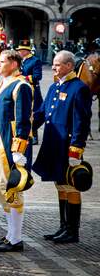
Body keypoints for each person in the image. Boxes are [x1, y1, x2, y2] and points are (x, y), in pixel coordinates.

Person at [32, 50, 92, 244]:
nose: (54, 67)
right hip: (53, 143)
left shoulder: (79, 88)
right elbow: (42, 113)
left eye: (57, 64)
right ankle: (63, 226)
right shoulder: (54, 87)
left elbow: (81, 121)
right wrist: (27, 126)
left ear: (68, 65)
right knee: (60, 185)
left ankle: (72, 231)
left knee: (71, 186)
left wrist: (76, 148)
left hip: (67, 145)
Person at [0, 50, 33, 252]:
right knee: (1, 189)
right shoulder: (5, 83)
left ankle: (16, 239)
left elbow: (23, 119)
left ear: (14, 64)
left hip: (8, 145)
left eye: (2, 61)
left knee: (12, 190)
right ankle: (9, 235)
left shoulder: (21, 85)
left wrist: (18, 150)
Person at [17, 40, 43, 144]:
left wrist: (24, 78)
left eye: (21, 50)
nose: (19, 52)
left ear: (26, 51)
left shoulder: (35, 61)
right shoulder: (20, 60)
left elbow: (38, 76)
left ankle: (34, 135)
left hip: (32, 89)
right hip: (21, 89)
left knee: (34, 113)